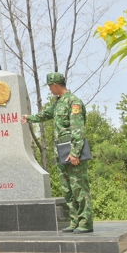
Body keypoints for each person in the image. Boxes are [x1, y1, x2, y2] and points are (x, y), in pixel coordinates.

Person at [22, 72, 92, 233]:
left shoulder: (73, 102)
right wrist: (29, 118)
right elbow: (46, 114)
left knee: (79, 187)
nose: (50, 89)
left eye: (50, 86)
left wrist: (75, 153)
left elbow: (78, 130)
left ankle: (85, 222)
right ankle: (74, 221)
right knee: (67, 188)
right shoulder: (58, 103)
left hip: (73, 152)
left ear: (55, 85)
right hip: (61, 152)